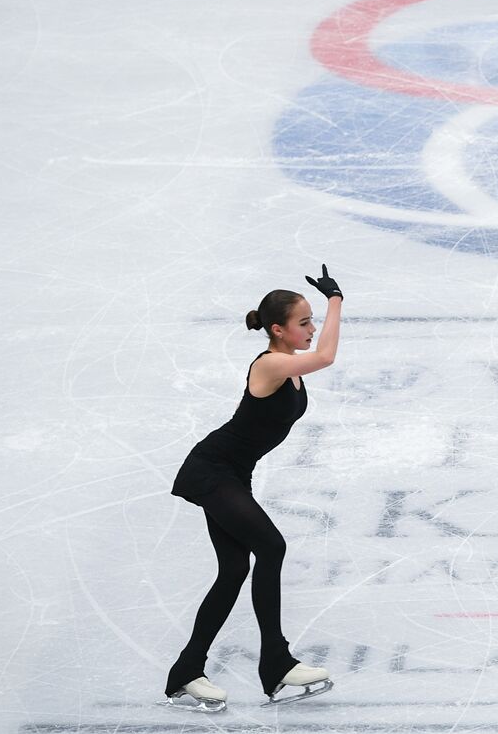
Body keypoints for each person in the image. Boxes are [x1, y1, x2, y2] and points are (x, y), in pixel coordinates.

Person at [162, 266, 343, 711]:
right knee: (272, 547)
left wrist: (327, 308)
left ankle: (186, 673)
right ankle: (276, 664)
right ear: (277, 330)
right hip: (213, 470)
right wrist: (336, 299)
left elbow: (316, 357)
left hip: (230, 474)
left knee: (233, 571)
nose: (312, 328)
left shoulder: (290, 365)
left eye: (312, 320)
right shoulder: (272, 364)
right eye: (304, 323)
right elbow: (326, 357)